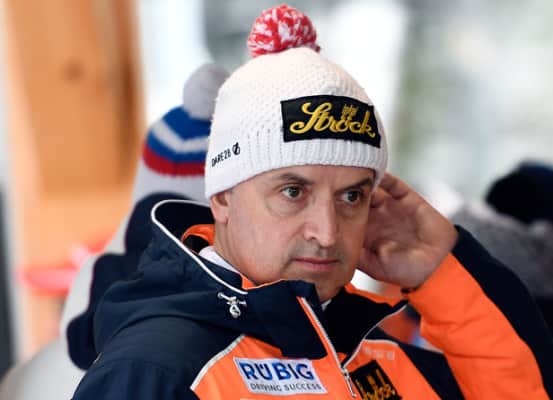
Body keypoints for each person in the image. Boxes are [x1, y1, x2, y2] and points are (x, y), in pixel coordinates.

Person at [71, 5, 553, 399]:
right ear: (222, 196)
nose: (327, 231)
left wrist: (442, 274)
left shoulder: (371, 351)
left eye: (351, 196)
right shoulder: (156, 371)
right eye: (293, 192)